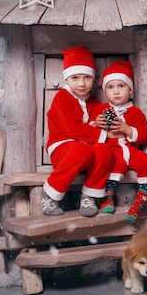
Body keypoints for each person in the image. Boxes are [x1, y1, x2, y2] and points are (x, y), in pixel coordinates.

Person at [41, 45, 114, 217]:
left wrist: (104, 121)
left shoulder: (93, 102)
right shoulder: (62, 98)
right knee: (82, 151)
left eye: (87, 77)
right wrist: (101, 132)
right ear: (67, 79)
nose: (81, 83)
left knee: (104, 149)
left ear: (93, 79)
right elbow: (71, 129)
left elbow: (100, 121)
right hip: (63, 149)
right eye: (75, 77)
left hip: (85, 151)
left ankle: (89, 195)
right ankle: (50, 195)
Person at [92, 60, 147, 224]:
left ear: (130, 90)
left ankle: (139, 204)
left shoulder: (136, 112)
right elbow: (89, 133)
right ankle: (106, 198)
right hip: (111, 150)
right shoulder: (101, 109)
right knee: (116, 164)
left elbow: (143, 136)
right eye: (110, 87)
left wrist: (128, 129)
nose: (116, 91)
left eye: (121, 86)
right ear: (105, 92)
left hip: (130, 149)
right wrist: (95, 124)